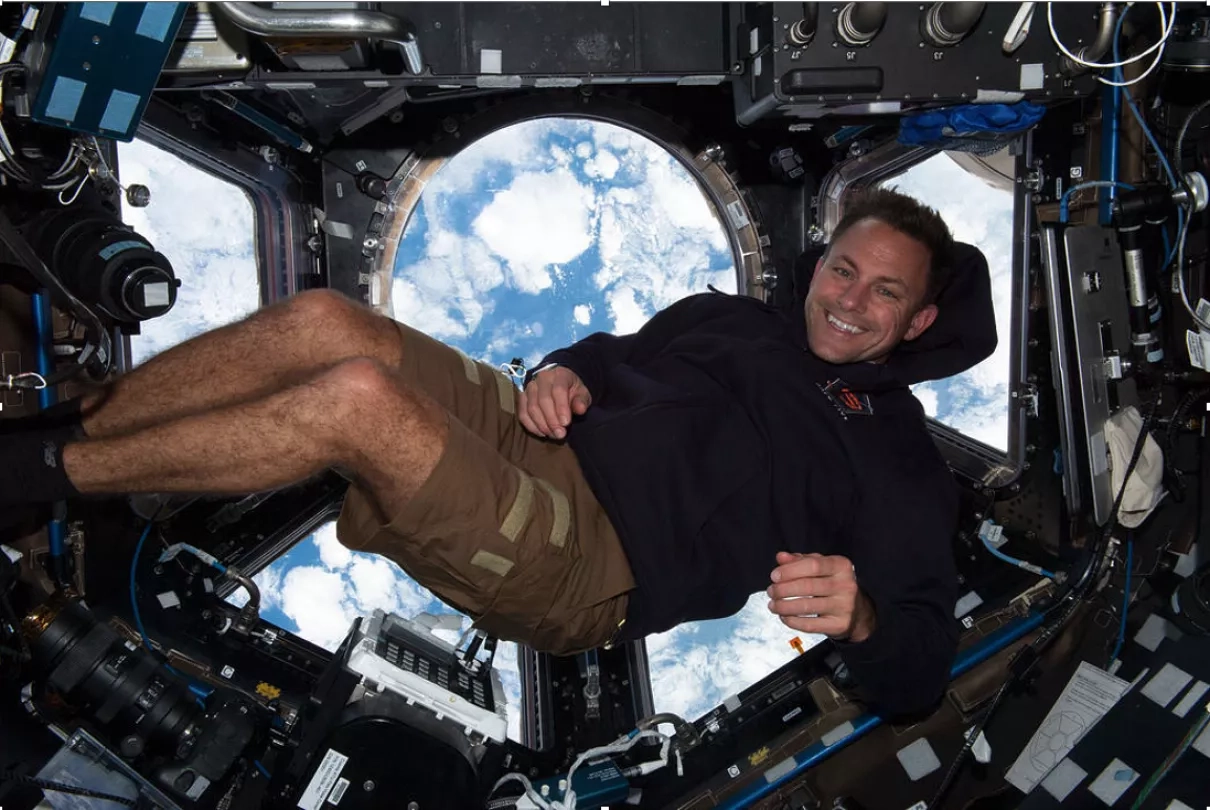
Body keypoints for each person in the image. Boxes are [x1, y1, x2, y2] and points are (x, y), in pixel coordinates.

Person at [3, 187, 971, 716]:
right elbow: (610, 356)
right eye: (842, 267)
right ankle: (61, 428)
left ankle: (26, 479)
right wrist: (561, 369)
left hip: (598, 554)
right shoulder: (731, 320)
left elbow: (919, 672)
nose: (848, 298)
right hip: (540, 430)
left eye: (883, 292)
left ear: (918, 318)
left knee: (357, 402)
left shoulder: (896, 463)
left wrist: (862, 619)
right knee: (324, 323)